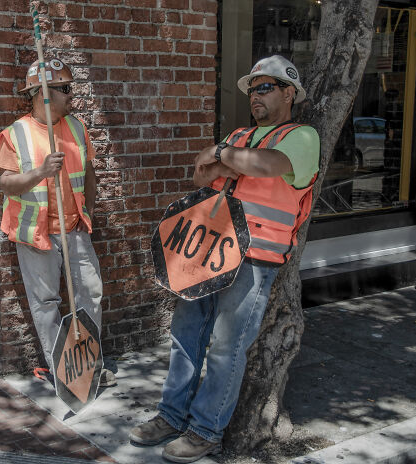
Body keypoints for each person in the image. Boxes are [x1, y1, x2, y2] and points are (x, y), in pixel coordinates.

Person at [129, 55, 320, 463]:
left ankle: (205, 431)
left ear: (289, 93)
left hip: (255, 259)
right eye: (252, 89)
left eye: (265, 87)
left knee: (226, 348)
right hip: (209, 251)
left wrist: (223, 155)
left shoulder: (302, 137)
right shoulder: (241, 135)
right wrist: (231, 159)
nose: (255, 96)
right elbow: (201, 175)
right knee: (186, 336)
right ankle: (171, 415)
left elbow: (269, 167)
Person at [0, 58, 115, 387]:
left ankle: (87, 366)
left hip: (74, 229)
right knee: (46, 303)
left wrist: (87, 211)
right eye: (64, 89)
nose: (71, 95)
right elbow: (5, 183)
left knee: (90, 294)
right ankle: (63, 371)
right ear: (43, 94)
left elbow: (90, 174)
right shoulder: (15, 133)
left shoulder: (76, 127)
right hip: (36, 233)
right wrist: (40, 172)